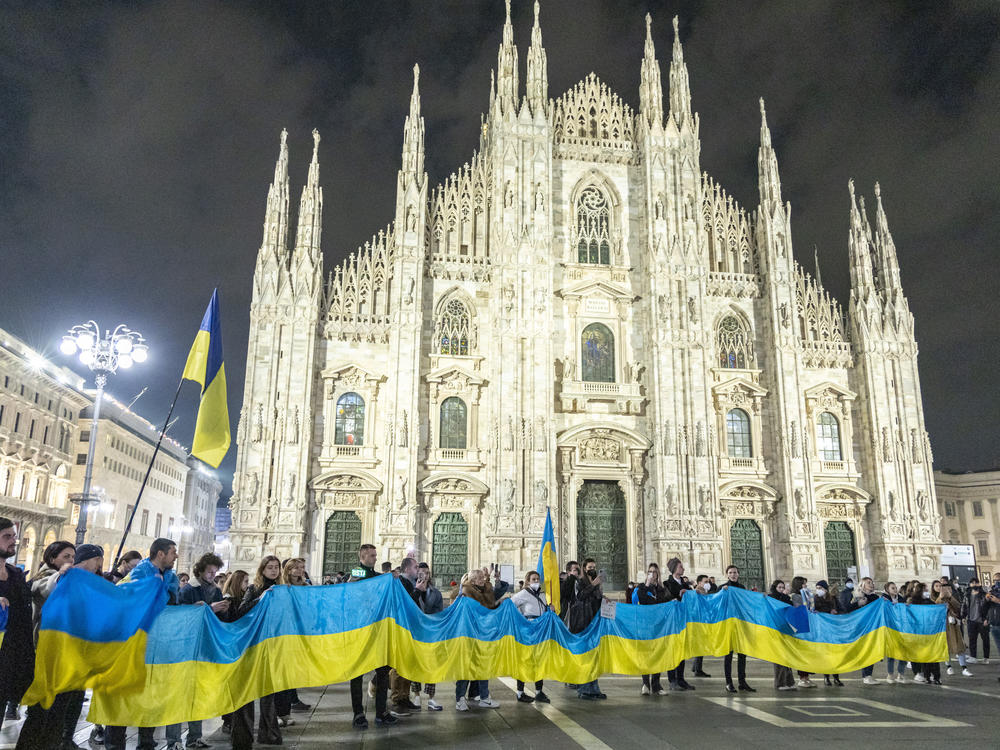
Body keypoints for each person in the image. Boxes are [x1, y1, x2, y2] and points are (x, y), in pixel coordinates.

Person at [15, 544, 103, 750]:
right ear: (52, 558)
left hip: (64, 658)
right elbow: (48, 588)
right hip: (43, 656)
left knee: (58, 714)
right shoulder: (43, 578)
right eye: (65, 556)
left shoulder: (70, 581)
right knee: (40, 713)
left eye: (73, 557)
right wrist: (61, 576)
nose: (70, 561)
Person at [105, 538, 179, 750]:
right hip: (132, 644)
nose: (176, 556)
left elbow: (173, 604)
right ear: (161, 554)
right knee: (123, 695)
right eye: (173, 552)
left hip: (156, 645)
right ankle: (114, 744)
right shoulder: (140, 572)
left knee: (149, 694)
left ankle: (146, 742)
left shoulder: (171, 577)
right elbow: (125, 597)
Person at [167, 552, 227, 749]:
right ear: (200, 570)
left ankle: (195, 736)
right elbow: (181, 616)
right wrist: (206, 608)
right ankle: (174, 740)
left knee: (197, 694)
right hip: (185, 648)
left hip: (203, 647)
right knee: (178, 695)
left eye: (214, 572)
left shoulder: (216, 590)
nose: (212, 575)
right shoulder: (188, 590)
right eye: (209, 572)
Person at [230, 555, 283, 748]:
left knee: (268, 691)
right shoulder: (254, 589)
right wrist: (261, 599)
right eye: (270, 567)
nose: (274, 570)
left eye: (276, 567)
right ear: (262, 570)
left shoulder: (282, 590)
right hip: (253, 645)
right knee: (248, 692)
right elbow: (241, 611)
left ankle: (269, 733)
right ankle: (243, 737)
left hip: (272, 645)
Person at [348, 544, 395, 729]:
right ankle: (358, 713)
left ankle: (381, 711)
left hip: (377, 629)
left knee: (383, 670)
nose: (376, 558)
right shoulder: (358, 571)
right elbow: (351, 586)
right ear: (363, 556)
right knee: (357, 672)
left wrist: (392, 578)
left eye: (375, 555)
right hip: (359, 629)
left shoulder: (377, 576)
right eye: (372, 555)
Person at [455, 568, 501, 710]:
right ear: (473, 580)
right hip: (469, 635)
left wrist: (501, 605)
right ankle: (460, 699)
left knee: (483, 665)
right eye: (480, 577)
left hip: (483, 634)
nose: (483, 579)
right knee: (466, 667)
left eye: (483, 577)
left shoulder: (485, 590)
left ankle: (485, 697)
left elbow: (490, 608)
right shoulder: (465, 592)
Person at [273, 558, 311, 726]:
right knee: (279, 676)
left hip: (299, 634)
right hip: (281, 635)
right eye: (296, 568)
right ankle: (274, 715)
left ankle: (285, 713)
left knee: (290, 676)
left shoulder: (306, 587)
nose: (300, 570)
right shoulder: (281, 588)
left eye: (302, 567)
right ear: (288, 570)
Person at [566, 558, 606, 700]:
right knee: (585, 657)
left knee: (594, 657)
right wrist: (593, 585)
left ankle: (594, 689)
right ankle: (584, 690)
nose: (592, 569)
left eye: (594, 567)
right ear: (584, 568)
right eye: (590, 567)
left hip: (593, 622)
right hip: (582, 623)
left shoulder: (595, 582)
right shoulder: (579, 582)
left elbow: (596, 600)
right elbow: (581, 597)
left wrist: (603, 596)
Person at [389, 557, 424, 713]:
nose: (418, 570)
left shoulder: (409, 583)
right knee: (399, 665)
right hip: (401, 629)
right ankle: (397, 699)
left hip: (410, 628)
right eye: (416, 567)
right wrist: (417, 591)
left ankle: (404, 696)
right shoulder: (400, 583)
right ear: (407, 569)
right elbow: (404, 604)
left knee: (408, 663)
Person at [511, 570, 551, 703]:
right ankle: (520, 692)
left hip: (540, 629)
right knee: (525, 659)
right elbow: (511, 605)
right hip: (528, 628)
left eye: (537, 579)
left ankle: (539, 691)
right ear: (527, 581)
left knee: (539, 659)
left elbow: (544, 608)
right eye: (533, 579)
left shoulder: (543, 594)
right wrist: (521, 620)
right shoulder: (523, 594)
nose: (536, 581)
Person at [409, 562, 444, 710]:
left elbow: (439, 612)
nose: (424, 576)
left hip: (430, 633)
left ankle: (431, 698)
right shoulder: (411, 590)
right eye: (421, 573)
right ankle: (416, 696)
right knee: (415, 664)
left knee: (431, 665)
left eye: (427, 573)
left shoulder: (435, 593)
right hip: (415, 632)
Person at [635, 564, 670, 695]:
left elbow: (667, 603)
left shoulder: (661, 589)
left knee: (657, 654)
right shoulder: (642, 587)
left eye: (654, 572)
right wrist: (647, 585)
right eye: (650, 572)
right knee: (645, 654)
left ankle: (656, 684)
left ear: (658, 574)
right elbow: (641, 600)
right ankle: (645, 683)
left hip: (658, 626)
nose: (652, 574)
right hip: (645, 625)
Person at [719, 565, 755, 693]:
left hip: (740, 625)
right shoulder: (723, 588)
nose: (733, 574)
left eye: (735, 572)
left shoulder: (742, 588)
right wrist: (722, 593)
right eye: (730, 572)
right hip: (728, 625)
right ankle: (729, 682)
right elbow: (717, 603)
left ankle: (742, 682)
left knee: (742, 654)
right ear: (727, 574)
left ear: (738, 574)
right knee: (728, 655)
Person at [664, 558, 694, 690]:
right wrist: (678, 595)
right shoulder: (667, 584)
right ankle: (672, 680)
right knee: (672, 650)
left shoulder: (686, 584)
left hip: (684, 620)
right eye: (681, 567)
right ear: (674, 568)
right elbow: (666, 599)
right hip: (672, 622)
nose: (683, 569)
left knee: (682, 650)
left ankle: (681, 679)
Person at [848, 577, 881, 685]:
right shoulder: (857, 596)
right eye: (868, 583)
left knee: (871, 650)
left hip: (873, 626)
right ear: (862, 585)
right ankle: (866, 675)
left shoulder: (876, 597)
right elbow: (848, 609)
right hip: (861, 626)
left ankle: (868, 675)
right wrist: (858, 604)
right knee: (866, 650)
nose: (871, 584)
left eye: (872, 582)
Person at [906, 581, 939, 684]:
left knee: (930, 653)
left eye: (927, 590)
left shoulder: (930, 602)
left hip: (929, 631)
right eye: (925, 590)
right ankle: (919, 673)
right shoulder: (912, 602)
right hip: (917, 632)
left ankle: (932, 674)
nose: (926, 592)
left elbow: (937, 611)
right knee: (919, 653)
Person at [812, 579, 843, 686]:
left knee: (834, 654)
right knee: (825, 654)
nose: (818, 590)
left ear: (825, 589)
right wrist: (822, 612)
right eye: (817, 588)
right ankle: (826, 677)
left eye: (820, 588)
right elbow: (812, 611)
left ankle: (836, 677)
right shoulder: (814, 599)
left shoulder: (833, 599)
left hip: (833, 630)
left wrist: (836, 612)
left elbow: (843, 610)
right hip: (822, 630)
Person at [939, 584, 972, 677]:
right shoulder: (938, 600)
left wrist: (950, 598)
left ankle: (964, 668)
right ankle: (949, 667)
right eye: (945, 589)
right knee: (946, 648)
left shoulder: (953, 598)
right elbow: (935, 609)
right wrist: (941, 598)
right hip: (943, 627)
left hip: (954, 626)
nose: (947, 591)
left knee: (960, 647)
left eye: (949, 589)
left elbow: (959, 607)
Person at [789, 577, 817, 688]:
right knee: (802, 652)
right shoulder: (795, 596)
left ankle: (807, 677)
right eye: (804, 584)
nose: (806, 585)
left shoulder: (807, 595)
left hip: (807, 626)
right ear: (799, 584)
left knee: (808, 653)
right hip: (800, 627)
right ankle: (802, 678)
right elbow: (798, 609)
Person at [768, 580, 796, 690]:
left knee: (787, 655)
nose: (781, 589)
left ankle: (789, 682)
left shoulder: (786, 598)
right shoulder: (770, 598)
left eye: (782, 587)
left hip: (785, 629)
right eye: (779, 587)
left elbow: (792, 610)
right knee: (779, 657)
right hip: (775, 630)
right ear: (775, 588)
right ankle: (780, 683)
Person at [881, 582, 906, 683]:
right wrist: (891, 605)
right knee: (891, 654)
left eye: (895, 588)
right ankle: (890, 675)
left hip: (901, 629)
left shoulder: (901, 598)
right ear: (887, 589)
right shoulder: (883, 599)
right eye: (892, 588)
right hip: (890, 629)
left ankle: (901, 674)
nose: (895, 589)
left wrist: (904, 605)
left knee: (903, 652)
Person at [964, 577, 989, 664]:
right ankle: (973, 657)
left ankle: (986, 658)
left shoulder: (984, 594)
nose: (974, 584)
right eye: (972, 583)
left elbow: (989, 608)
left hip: (982, 621)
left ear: (979, 584)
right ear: (970, 584)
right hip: (971, 621)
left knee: (985, 639)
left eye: (976, 582)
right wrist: (963, 617)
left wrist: (987, 619)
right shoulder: (967, 594)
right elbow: (964, 606)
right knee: (972, 640)